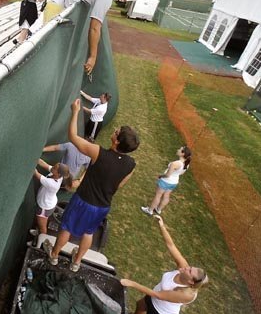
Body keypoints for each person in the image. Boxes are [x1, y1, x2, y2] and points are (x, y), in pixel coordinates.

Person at [44, 98, 139, 272]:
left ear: (117, 141)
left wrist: (75, 112)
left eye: (117, 132)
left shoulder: (98, 153)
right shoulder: (131, 165)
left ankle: (54, 255)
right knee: (88, 232)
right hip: (103, 206)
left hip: (83, 200)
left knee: (67, 227)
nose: (115, 130)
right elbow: (118, 186)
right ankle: (76, 262)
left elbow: (73, 137)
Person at [120, 215, 208, 314]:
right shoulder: (183, 268)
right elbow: (171, 246)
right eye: (191, 267)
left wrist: (132, 283)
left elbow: (159, 296)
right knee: (141, 304)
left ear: (190, 282)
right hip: (154, 295)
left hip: (162, 311)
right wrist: (162, 225)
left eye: (190, 271)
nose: (187, 267)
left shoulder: (186, 293)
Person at [43, 0, 145, 74]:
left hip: (53, 7)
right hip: (60, 16)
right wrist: (93, 57)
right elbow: (95, 28)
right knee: (49, 64)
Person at [141, 146, 192, 216]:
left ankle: (150, 210)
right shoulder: (186, 164)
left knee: (158, 195)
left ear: (183, 154)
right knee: (166, 196)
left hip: (166, 181)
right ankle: (158, 210)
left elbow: (168, 175)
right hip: (174, 182)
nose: (178, 150)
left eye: (180, 149)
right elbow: (181, 173)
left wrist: (160, 176)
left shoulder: (175, 163)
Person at [33, 160, 72, 234]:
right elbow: (44, 164)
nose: (52, 167)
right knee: (40, 224)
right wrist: (36, 158)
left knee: (42, 228)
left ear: (58, 173)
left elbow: (35, 173)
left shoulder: (52, 184)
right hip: (49, 203)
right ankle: (37, 233)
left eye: (54, 168)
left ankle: (39, 242)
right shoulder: (56, 174)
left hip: (44, 208)